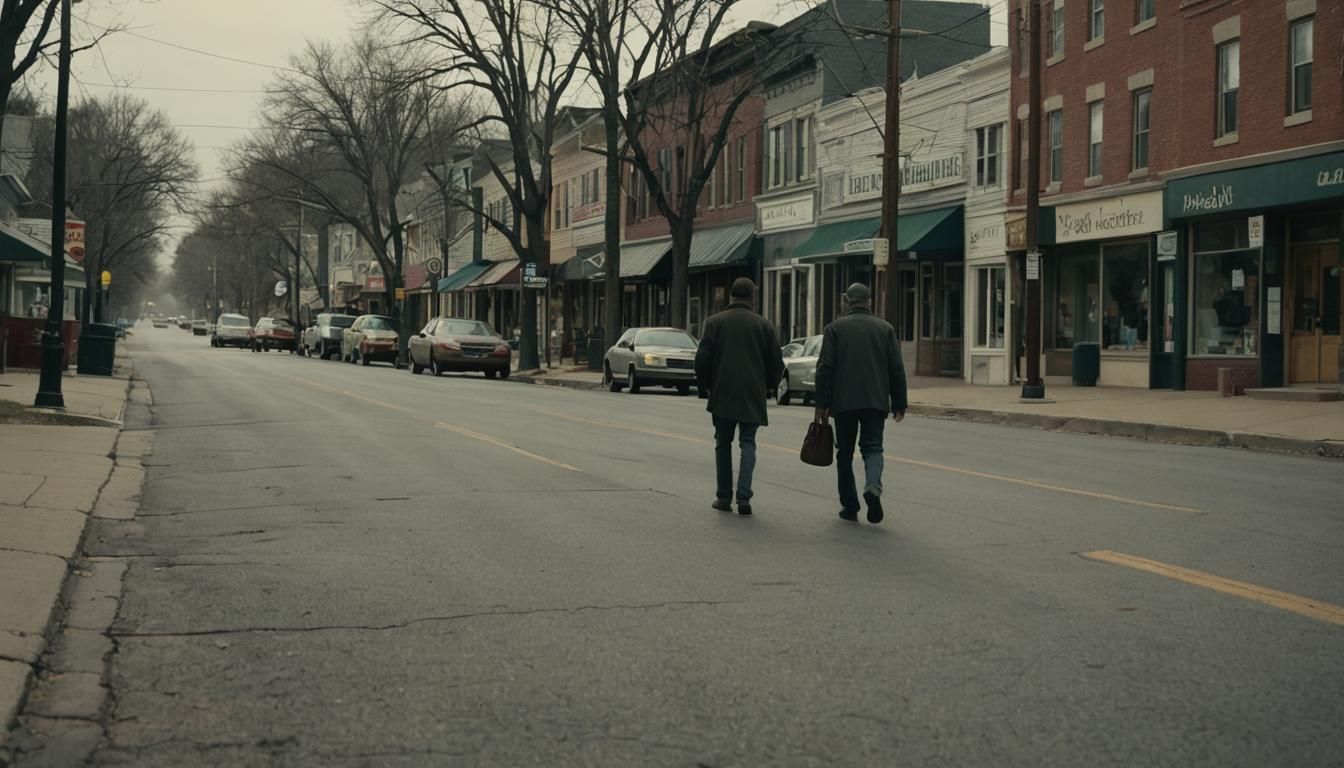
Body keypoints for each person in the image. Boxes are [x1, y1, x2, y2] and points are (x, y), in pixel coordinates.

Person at [814, 283, 908, 524]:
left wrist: (821, 405)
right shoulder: (885, 329)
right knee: (873, 447)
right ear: (869, 301)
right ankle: (873, 487)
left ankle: (850, 505)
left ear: (847, 300)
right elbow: (896, 368)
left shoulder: (835, 329)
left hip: (843, 402)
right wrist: (899, 403)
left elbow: (825, 368)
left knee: (844, 453)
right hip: (876, 401)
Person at [694, 278, 784, 516]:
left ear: (730, 296)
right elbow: (777, 362)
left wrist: (706, 387)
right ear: (751, 298)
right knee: (748, 443)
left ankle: (723, 497)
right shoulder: (764, 326)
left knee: (723, 444)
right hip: (753, 393)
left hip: (722, 391)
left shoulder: (714, 323)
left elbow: (702, 359)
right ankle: (744, 496)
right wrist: (769, 387)